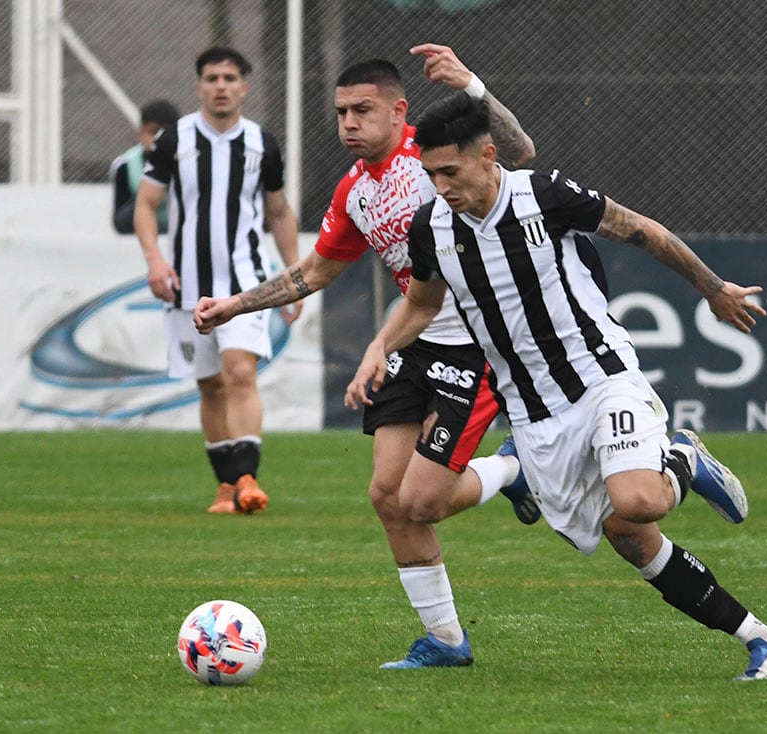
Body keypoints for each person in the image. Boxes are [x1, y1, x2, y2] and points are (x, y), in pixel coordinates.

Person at [344, 92, 767, 681]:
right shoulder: (432, 225)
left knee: (635, 498)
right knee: (628, 536)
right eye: (430, 175)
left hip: (600, 377)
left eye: (450, 172)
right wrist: (381, 346)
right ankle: (763, 640)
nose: (441, 186)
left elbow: (641, 231)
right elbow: (423, 303)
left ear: (487, 156)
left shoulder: (541, 195)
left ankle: (684, 456)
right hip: (535, 414)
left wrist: (711, 288)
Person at [194, 46, 538, 668]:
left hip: (480, 345)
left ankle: (514, 472)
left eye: (363, 109)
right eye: (341, 112)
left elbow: (519, 155)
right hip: (413, 340)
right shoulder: (356, 190)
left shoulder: (433, 155)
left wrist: (472, 84)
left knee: (423, 500)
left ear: (399, 111)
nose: (349, 122)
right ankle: (447, 642)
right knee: (387, 495)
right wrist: (237, 306)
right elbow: (317, 269)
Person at [134, 47, 300, 515]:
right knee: (209, 385)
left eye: (230, 77)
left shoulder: (262, 143)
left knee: (241, 371)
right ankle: (226, 486)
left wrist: (294, 276)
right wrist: (154, 260)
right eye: (212, 78)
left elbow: (279, 211)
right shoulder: (173, 140)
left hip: (244, 284)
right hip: (185, 285)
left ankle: (247, 475)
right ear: (199, 86)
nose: (221, 86)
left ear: (244, 86)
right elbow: (147, 205)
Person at [110, 99, 180, 234]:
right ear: (140, 133)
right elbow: (119, 223)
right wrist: (146, 200)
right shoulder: (125, 166)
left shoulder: (190, 161)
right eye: (153, 132)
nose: (159, 140)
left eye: (165, 133)